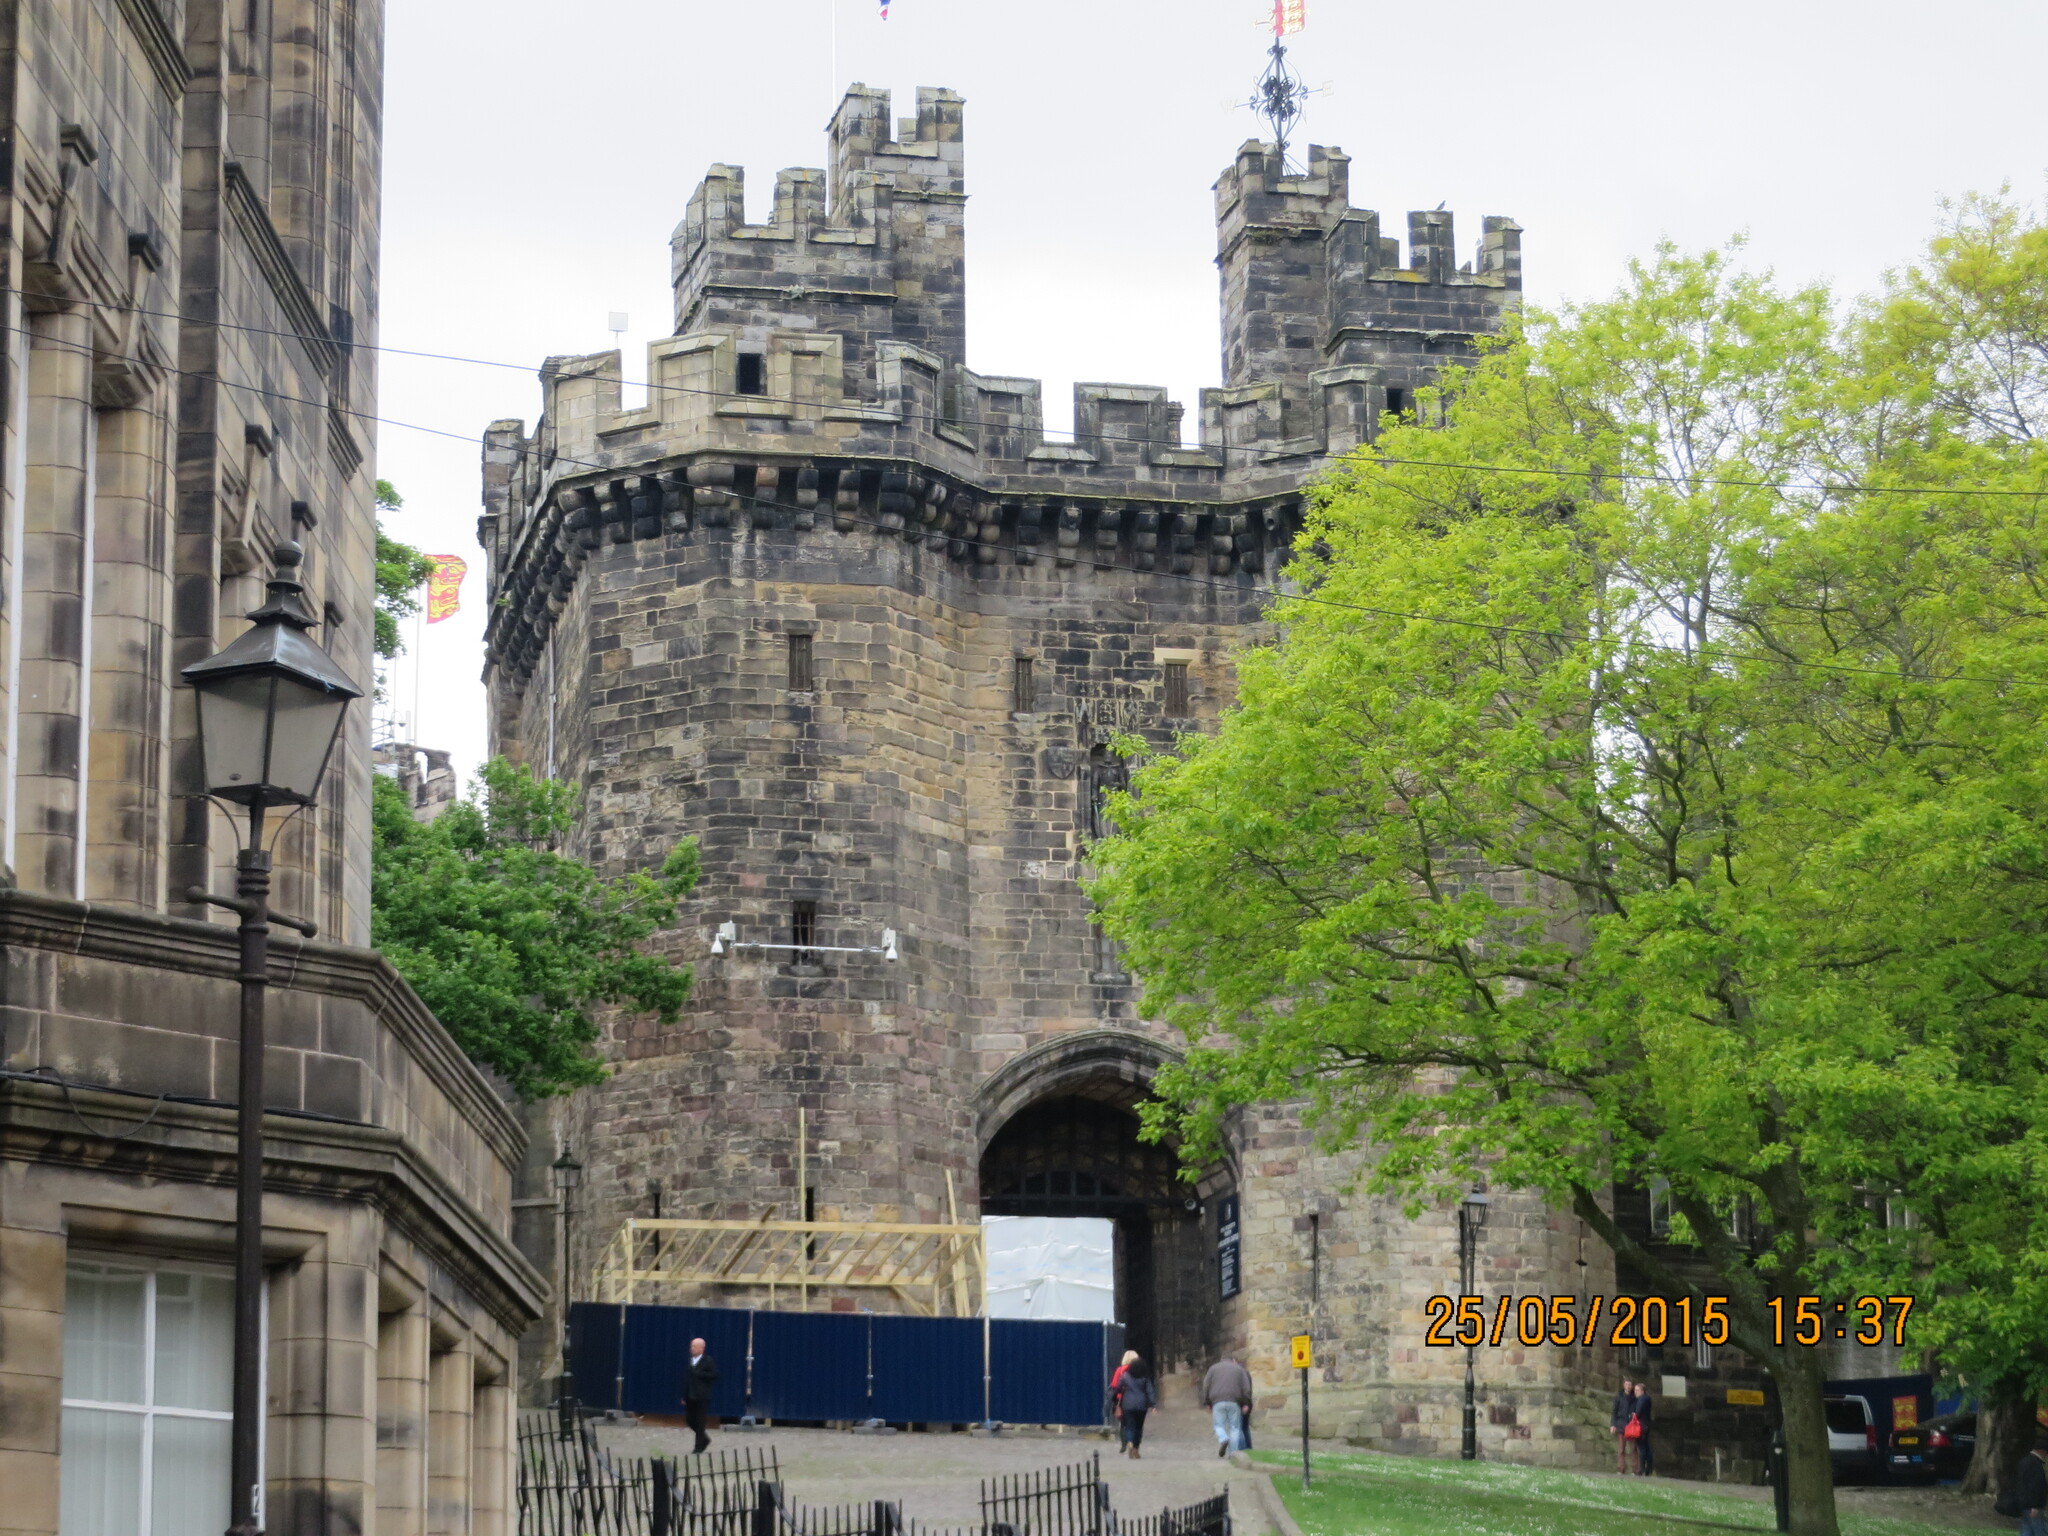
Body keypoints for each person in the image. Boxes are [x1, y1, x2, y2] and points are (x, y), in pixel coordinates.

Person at [1202, 1352, 1254, 1458]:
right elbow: (1246, 1387)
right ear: (1232, 1360)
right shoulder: (1239, 1369)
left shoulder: (1213, 1368)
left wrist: (1207, 1401)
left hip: (1217, 1401)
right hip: (1234, 1401)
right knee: (1235, 1428)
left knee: (1218, 1425)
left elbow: (1206, 1385)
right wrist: (1246, 1403)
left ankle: (1223, 1438)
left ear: (1221, 1359)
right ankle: (1233, 1453)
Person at [1112, 1354, 1156, 1458]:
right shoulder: (1145, 1378)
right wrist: (1153, 1405)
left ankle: (1130, 1442)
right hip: (1141, 1405)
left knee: (1129, 1426)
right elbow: (1150, 1391)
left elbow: (1117, 1388)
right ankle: (1136, 1448)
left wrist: (1115, 1398)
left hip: (1128, 1404)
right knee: (1139, 1427)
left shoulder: (1125, 1376)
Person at [682, 1336, 719, 1455]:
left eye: (694, 1346)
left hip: (702, 1396)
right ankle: (705, 1438)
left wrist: (700, 1373)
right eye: (691, 1346)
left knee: (700, 1421)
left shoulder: (707, 1360)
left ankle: (698, 1446)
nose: (691, 1349)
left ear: (702, 1348)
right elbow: (687, 1379)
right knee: (689, 1419)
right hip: (690, 1395)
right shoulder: (690, 1361)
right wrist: (683, 1395)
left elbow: (714, 1375)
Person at [2015, 1434, 2048, 1536]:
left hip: (2024, 1504)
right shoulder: (2035, 1464)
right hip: (2033, 1506)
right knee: (2039, 1530)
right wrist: (2035, 1506)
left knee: (2026, 1530)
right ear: (2041, 1451)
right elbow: (2035, 1486)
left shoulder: (2024, 1461)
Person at [1610, 1378, 1637, 1474]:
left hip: (1632, 1426)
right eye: (1627, 1384)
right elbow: (1614, 1412)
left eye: (1630, 1384)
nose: (1628, 1386)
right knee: (1621, 1449)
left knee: (1633, 1449)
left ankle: (1635, 1470)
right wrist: (1613, 1424)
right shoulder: (1619, 1397)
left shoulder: (1635, 1397)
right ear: (1624, 1385)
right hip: (1621, 1425)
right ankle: (1621, 1469)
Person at [1631, 1380, 1655, 1476]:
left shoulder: (1641, 1399)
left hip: (1641, 1426)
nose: (1635, 1392)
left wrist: (1632, 1414)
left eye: (1637, 1390)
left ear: (1642, 1391)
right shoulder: (1647, 1399)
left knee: (1642, 1447)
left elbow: (1638, 1412)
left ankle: (1642, 1469)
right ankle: (1648, 1468)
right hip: (1646, 1425)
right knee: (1647, 1447)